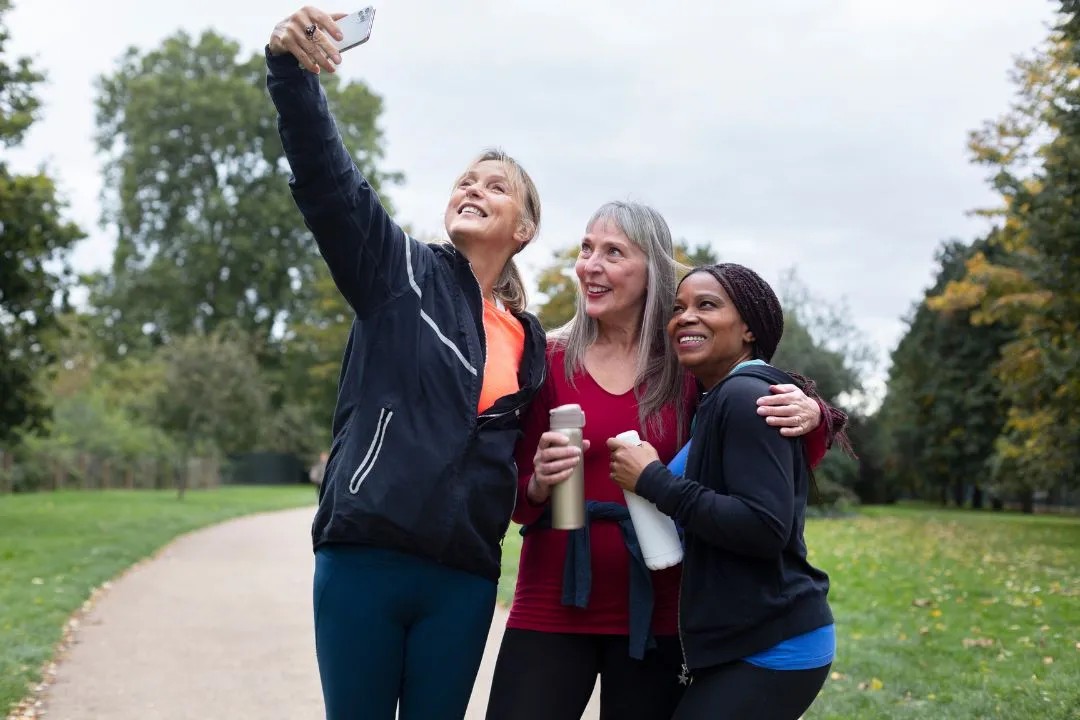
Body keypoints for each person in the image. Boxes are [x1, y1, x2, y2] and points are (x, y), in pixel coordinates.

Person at [265, 8, 549, 719]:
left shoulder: (532, 341)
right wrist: (290, 74)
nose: (473, 189)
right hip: (367, 557)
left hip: (464, 580)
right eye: (465, 180)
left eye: (495, 185)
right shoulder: (401, 274)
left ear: (524, 229)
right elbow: (332, 187)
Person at [485, 203, 840, 720]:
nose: (591, 264)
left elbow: (767, 429)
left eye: (613, 251)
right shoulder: (548, 355)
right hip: (552, 604)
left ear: (651, 268)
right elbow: (516, 500)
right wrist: (538, 484)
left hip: (659, 613)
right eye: (587, 249)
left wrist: (817, 413)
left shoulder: (688, 360)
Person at [608, 263, 844, 720]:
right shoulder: (716, 399)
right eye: (678, 308)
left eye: (707, 305)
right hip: (745, 638)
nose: (685, 317)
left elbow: (764, 527)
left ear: (749, 328)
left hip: (772, 645)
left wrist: (653, 481)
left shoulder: (743, 399)